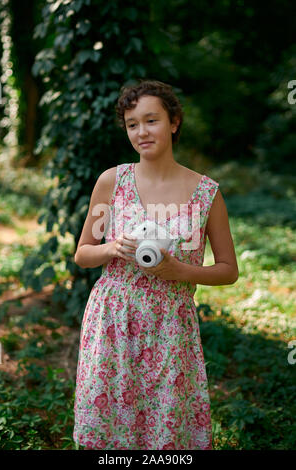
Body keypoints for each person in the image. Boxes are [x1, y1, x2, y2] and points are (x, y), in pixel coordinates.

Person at [73, 79, 239, 450]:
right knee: (109, 428)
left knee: (165, 433)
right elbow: (83, 252)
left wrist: (182, 272)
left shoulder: (207, 193)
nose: (142, 132)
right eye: (132, 124)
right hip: (113, 319)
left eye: (151, 120)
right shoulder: (111, 183)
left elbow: (228, 269)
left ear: (174, 122)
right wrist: (114, 247)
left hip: (171, 325)